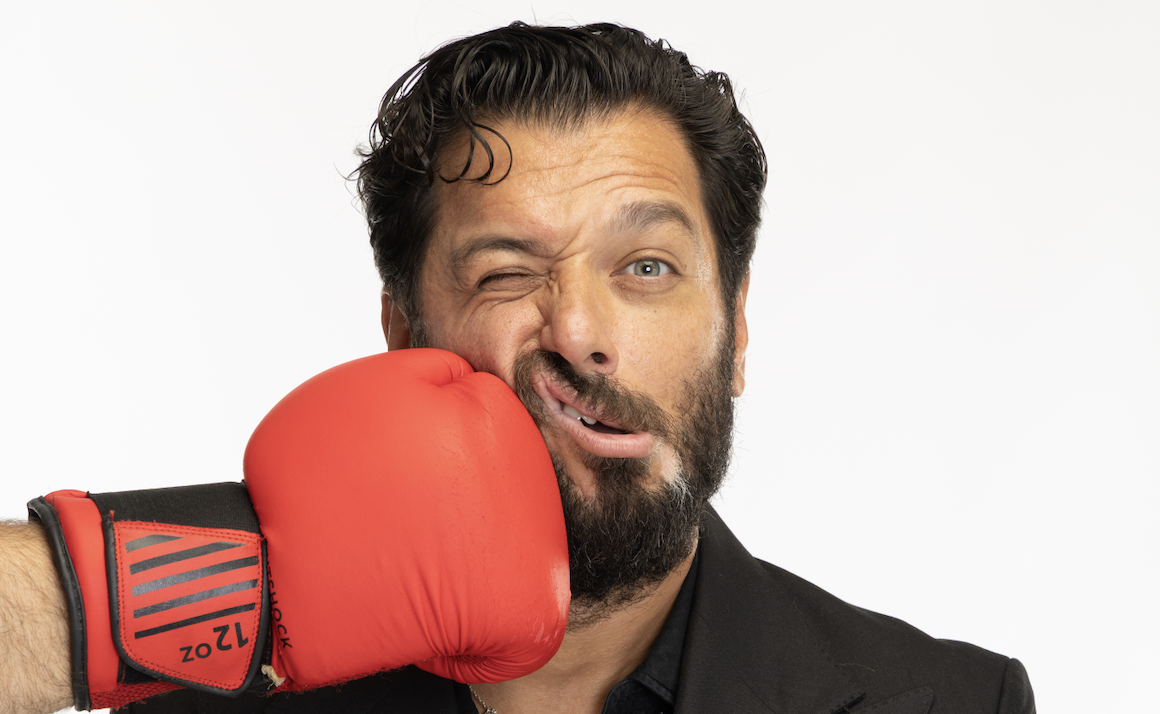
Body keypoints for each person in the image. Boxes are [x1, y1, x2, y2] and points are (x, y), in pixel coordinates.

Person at [0, 22, 1035, 714]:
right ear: (404, 337)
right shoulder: (205, 684)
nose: (577, 330)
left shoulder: (950, 704)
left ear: (736, 331)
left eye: (645, 267)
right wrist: (135, 596)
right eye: (506, 274)